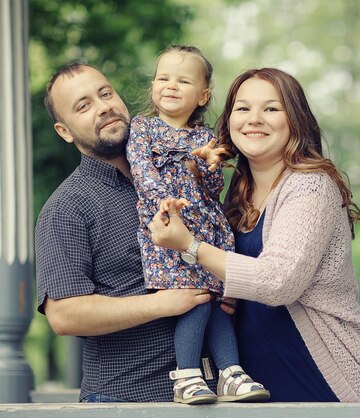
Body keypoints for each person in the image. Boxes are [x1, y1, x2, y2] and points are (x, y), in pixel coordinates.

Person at [150, 68, 360, 402]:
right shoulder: (238, 192)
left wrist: (190, 245)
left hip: (322, 384)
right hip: (257, 388)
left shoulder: (310, 186)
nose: (254, 119)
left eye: (271, 109)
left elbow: (278, 281)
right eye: (243, 108)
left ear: (296, 120)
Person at [35, 62, 234, 403]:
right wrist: (161, 304)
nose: (103, 107)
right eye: (83, 106)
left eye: (106, 93)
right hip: (128, 400)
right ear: (65, 131)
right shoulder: (67, 207)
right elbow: (65, 314)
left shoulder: (179, 172)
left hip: (214, 397)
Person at [126, 45, 268, 404]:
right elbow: (141, 169)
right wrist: (163, 198)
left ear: (203, 95)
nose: (170, 86)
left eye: (183, 80)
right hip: (168, 227)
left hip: (206, 230)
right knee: (193, 298)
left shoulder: (205, 138)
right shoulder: (143, 128)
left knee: (215, 297)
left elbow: (213, 188)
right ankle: (187, 374)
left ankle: (230, 372)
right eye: (163, 78)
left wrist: (206, 163)